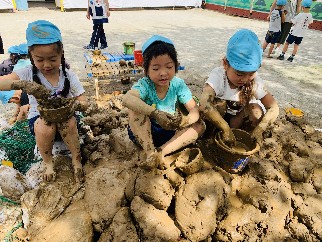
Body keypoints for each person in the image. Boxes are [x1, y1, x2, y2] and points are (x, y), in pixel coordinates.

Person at [0, 20, 88, 182]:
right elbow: (7, 81)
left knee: (67, 122)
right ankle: (48, 162)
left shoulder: (68, 75)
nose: (46, 65)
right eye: (40, 60)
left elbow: (84, 101)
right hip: (40, 119)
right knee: (44, 125)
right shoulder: (27, 73)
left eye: (53, 59)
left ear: (61, 53)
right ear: (31, 55)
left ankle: (76, 158)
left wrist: (75, 105)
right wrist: (21, 84)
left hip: (67, 118)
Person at [122, 35, 205, 169]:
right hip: (146, 134)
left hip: (169, 133)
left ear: (176, 66)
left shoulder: (177, 84)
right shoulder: (145, 85)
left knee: (200, 125)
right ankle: (149, 152)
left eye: (169, 67)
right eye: (156, 68)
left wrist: (188, 120)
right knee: (134, 109)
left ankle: (160, 152)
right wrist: (155, 113)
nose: (163, 73)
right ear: (146, 69)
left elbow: (194, 109)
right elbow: (127, 99)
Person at [199, 29, 279, 146]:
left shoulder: (255, 81)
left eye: (251, 74)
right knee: (217, 105)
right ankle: (208, 140)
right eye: (239, 74)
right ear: (226, 64)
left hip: (237, 119)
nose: (246, 79)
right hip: (217, 120)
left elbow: (274, 107)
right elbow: (204, 103)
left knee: (256, 111)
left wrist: (260, 129)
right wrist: (225, 128)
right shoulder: (218, 76)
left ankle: (243, 138)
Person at [0, 43, 31, 124]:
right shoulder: (25, 64)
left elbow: (23, 110)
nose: (12, 102)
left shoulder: (25, 96)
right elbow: (19, 104)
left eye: (10, 101)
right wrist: (14, 116)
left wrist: (16, 123)